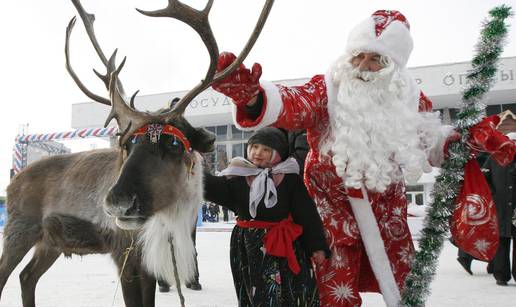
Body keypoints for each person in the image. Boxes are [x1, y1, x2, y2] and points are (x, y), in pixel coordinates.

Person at [212, 10, 458, 307]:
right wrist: (252, 97)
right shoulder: (326, 88)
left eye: (376, 59)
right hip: (330, 212)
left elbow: (429, 140)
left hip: (387, 213)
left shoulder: (408, 96)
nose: (364, 66)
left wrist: (456, 143)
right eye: (359, 56)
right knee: (334, 293)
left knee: (405, 287)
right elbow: (293, 103)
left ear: (394, 66)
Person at [204, 127, 330, 306]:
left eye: (265, 149)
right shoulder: (237, 176)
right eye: (254, 147)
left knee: (284, 292)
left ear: (277, 154)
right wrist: (191, 169)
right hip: (248, 246)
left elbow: (306, 214)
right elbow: (210, 188)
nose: (258, 153)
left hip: (281, 245)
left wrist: (316, 246)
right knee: (252, 292)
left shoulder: (289, 179)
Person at [483, 132, 516, 286]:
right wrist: (493, 194)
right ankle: (501, 275)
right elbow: (484, 179)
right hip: (500, 208)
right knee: (501, 242)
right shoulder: (493, 158)